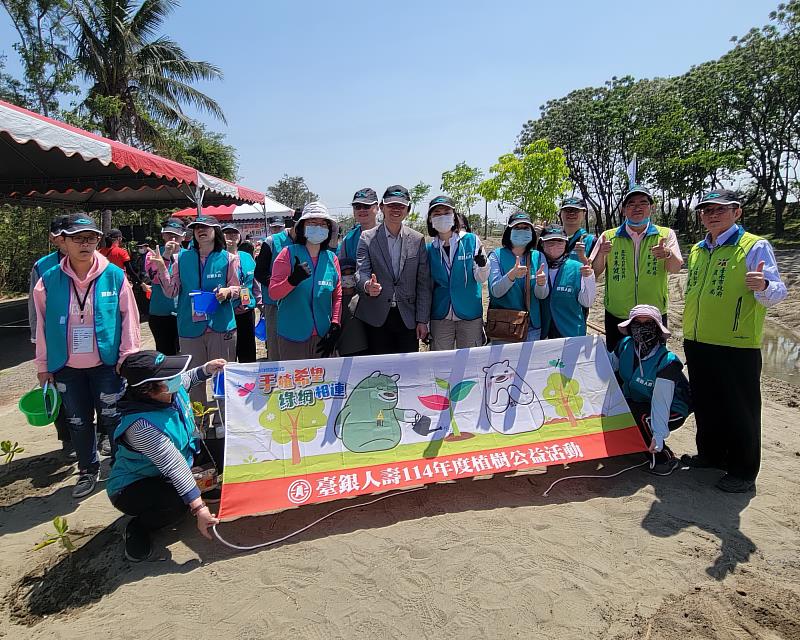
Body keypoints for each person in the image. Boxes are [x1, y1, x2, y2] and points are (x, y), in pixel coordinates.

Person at [681, 189, 787, 492]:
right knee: (706, 403)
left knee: (740, 409)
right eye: (707, 210)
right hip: (698, 339)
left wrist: (763, 285)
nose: (713, 215)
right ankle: (711, 455)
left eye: (720, 209)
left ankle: (742, 472)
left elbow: (778, 292)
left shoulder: (754, 245)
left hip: (736, 344)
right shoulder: (699, 249)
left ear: (736, 212)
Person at [33, 213, 141, 498]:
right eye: (78, 238)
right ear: (63, 242)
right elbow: (41, 326)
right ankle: (87, 471)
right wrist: (43, 365)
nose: (85, 244)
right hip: (66, 366)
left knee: (114, 418)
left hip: (107, 365)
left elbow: (129, 318)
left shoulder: (114, 276)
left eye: (91, 238)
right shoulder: (48, 280)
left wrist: (127, 358)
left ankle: (120, 468)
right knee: (78, 421)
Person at [107, 350, 224, 562]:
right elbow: (175, 467)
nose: (176, 377)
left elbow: (188, 378)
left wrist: (207, 369)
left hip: (183, 458)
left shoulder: (170, 391)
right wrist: (199, 509)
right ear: (148, 389)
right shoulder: (141, 427)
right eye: (169, 376)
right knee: (176, 502)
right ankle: (138, 527)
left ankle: (202, 487)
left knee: (224, 449)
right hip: (135, 485)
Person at [149, 214, 239, 470]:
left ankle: (222, 420)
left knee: (222, 377)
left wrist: (228, 292)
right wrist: (162, 267)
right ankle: (198, 422)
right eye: (196, 228)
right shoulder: (181, 258)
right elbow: (171, 291)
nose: (201, 231)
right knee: (194, 379)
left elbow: (239, 289)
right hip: (190, 327)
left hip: (221, 325)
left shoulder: (229, 258)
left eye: (206, 227)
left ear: (215, 231)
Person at [590, 185, 683, 351]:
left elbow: (676, 268)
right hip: (617, 314)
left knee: (652, 361)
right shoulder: (608, 236)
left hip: (652, 315)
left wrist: (667, 253)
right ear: (623, 210)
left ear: (652, 208)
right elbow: (595, 272)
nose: (637, 207)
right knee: (618, 359)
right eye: (631, 204)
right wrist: (602, 254)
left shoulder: (665, 234)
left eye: (643, 203)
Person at [608, 305, 691, 475]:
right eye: (637, 324)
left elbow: (661, 402)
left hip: (672, 409)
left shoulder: (667, 362)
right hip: (640, 401)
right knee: (616, 408)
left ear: (657, 329)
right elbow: (606, 368)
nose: (641, 329)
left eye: (648, 324)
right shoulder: (624, 346)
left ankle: (664, 458)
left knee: (642, 417)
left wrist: (659, 435)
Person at [355, 185, 432, 354]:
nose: (396, 209)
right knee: (378, 367)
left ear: (408, 210)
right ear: (382, 207)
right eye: (391, 205)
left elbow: (423, 284)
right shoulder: (367, 238)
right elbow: (361, 272)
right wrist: (367, 285)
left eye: (401, 206)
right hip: (376, 316)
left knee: (408, 367)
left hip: (408, 318)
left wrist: (422, 320)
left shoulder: (418, 239)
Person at [269, 202, 342, 360]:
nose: (318, 227)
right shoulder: (287, 254)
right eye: (312, 223)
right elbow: (274, 293)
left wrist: (335, 323)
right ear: (302, 227)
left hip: (323, 336)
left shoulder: (332, 259)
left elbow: (337, 296)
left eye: (323, 224)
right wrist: (292, 280)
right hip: (292, 336)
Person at [28, 214, 74, 460]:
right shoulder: (42, 266)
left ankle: (97, 434)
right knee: (56, 389)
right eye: (60, 236)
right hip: (55, 340)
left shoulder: (95, 262)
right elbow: (35, 309)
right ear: (53, 239)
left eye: (70, 235)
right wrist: (38, 340)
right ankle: (67, 438)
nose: (65, 240)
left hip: (87, 339)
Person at [425, 195, 488, 350]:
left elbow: (481, 277)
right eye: (437, 214)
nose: (442, 217)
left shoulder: (471, 240)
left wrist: (483, 265)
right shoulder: (429, 249)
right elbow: (427, 286)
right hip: (440, 315)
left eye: (446, 213)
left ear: (454, 216)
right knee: (440, 360)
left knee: (470, 360)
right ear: (431, 220)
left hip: (469, 314)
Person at [487, 212, 549, 342]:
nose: (522, 231)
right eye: (517, 227)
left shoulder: (538, 257)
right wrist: (511, 275)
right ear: (509, 231)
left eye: (526, 228)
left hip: (532, 327)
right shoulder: (496, 256)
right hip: (504, 326)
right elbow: (495, 291)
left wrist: (541, 284)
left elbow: (542, 295)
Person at [254, 208, 301, 361]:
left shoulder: (308, 242)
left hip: (300, 305)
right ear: (293, 223)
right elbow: (259, 273)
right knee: (276, 350)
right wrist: (281, 287)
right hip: (275, 305)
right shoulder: (272, 242)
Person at [539, 224, 596, 338]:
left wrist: (589, 278)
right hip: (540, 334)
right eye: (550, 242)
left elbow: (587, 302)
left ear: (566, 243)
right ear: (542, 243)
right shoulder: (535, 266)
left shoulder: (578, 268)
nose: (555, 245)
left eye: (560, 242)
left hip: (570, 334)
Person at [145, 218, 185, 356]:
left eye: (176, 235)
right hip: (160, 313)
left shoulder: (189, 256)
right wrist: (166, 256)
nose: (172, 238)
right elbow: (155, 278)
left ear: (183, 236)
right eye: (169, 234)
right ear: (163, 235)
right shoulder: (153, 253)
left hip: (184, 313)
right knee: (165, 354)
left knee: (186, 354)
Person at [222, 223, 260, 363]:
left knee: (248, 351)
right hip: (226, 312)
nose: (231, 236)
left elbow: (255, 282)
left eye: (235, 233)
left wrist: (259, 303)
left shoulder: (246, 256)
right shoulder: (217, 257)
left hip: (246, 309)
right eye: (227, 233)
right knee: (229, 352)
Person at [339, 187, 379, 261]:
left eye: (366, 206)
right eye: (357, 207)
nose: (362, 210)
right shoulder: (348, 239)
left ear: (377, 208)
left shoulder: (388, 234)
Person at [558, 196, 596, 262]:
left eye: (576, 210)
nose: (571, 213)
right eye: (567, 210)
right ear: (561, 213)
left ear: (584, 214)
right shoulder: (549, 238)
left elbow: (596, 268)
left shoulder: (591, 241)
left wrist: (583, 258)